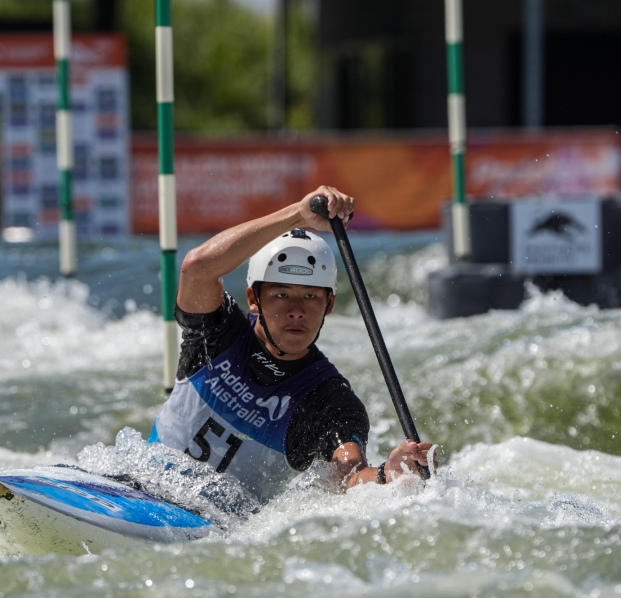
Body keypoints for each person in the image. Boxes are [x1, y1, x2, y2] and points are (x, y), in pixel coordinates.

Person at [148, 186, 436, 505]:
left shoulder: (329, 401)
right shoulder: (218, 333)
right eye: (282, 294)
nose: (297, 310)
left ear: (329, 306)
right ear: (253, 299)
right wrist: (299, 215)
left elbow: (351, 477)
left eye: (311, 296)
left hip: (216, 528)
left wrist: (388, 474)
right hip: (142, 485)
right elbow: (198, 267)